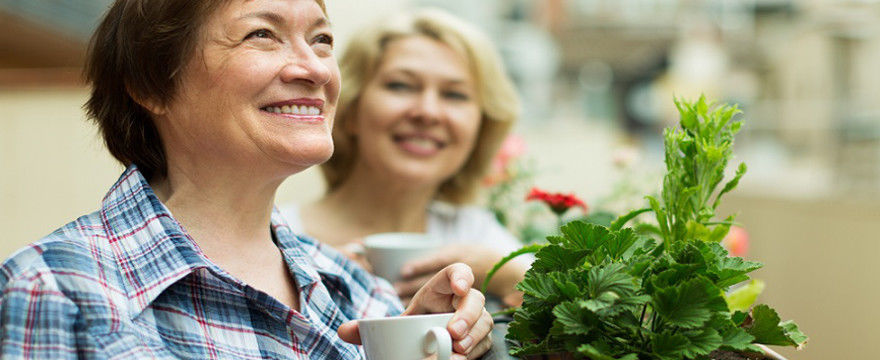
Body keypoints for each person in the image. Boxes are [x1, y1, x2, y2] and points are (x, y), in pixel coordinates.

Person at [0, 1, 493, 359]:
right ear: (152, 83)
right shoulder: (52, 290)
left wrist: (410, 347)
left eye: (322, 39)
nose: (316, 69)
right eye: (263, 34)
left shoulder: (363, 297)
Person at [280, 9, 530, 308]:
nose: (428, 111)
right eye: (400, 85)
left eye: (455, 95)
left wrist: (503, 274)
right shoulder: (280, 235)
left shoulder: (476, 235)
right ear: (349, 110)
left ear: (480, 127)